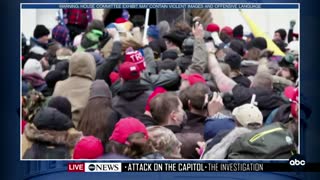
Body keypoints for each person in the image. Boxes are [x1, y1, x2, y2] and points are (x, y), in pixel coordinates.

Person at [206, 42, 284, 121]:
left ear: (252, 84)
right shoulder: (281, 103)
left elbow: (217, 73)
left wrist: (210, 53)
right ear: (271, 87)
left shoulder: (242, 93)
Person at [53, 52, 96, 128]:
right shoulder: (94, 88)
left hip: (59, 131)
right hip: (83, 133)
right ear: (92, 66)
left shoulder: (59, 85)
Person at [78, 80, 120, 145]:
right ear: (108, 94)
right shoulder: (112, 115)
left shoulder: (85, 113)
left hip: (87, 151)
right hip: (105, 153)